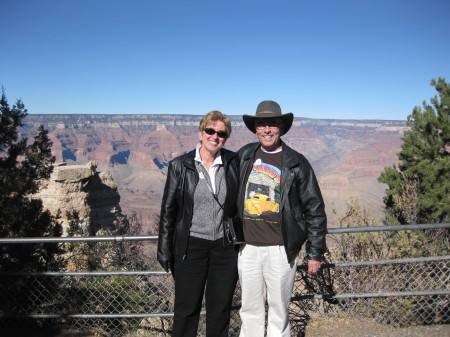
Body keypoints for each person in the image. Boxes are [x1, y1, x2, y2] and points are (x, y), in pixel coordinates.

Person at [236, 100, 327, 337]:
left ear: (281, 128)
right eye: (261, 124)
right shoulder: (244, 156)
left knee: (279, 310)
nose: (267, 130)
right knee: (250, 309)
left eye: (272, 124)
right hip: (248, 249)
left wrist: (315, 251)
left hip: (281, 249)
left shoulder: (297, 162)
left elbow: (314, 207)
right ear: (255, 128)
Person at [157, 110, 240, 337]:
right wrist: (164, 249)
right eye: (210, 131)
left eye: (221, 133)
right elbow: (168, 211)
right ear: (201, 132)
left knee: (220, 308)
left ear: (226, 136)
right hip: (190, 247)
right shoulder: (180, 165)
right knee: (186, 308)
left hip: (225, 248)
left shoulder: (233, 162)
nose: (215, 136)